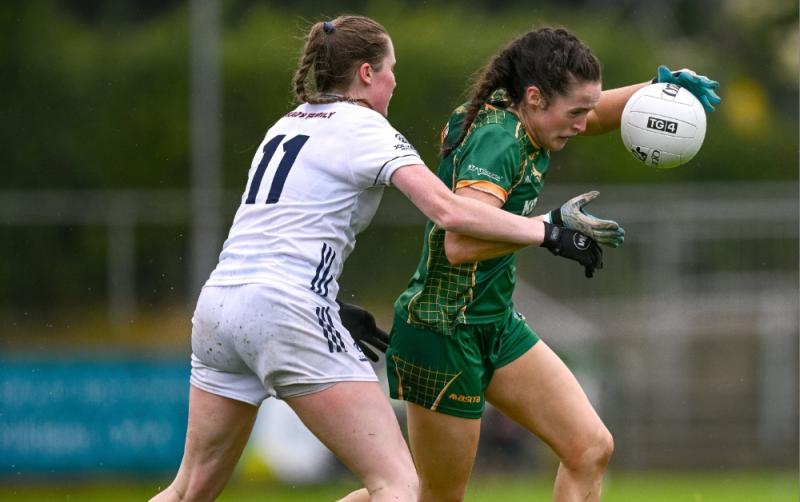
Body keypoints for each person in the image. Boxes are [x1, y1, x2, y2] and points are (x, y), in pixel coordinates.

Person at [150, 17, 607, 502]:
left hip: (221, 305)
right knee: (400, 486)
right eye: (391, 69)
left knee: (188, 490)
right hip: (288, 309)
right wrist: (547, 232)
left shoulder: (286, 124)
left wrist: (328, 301)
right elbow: (451, 212)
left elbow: (283, 229)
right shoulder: (366, 128)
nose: (395, 81)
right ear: (366, 74)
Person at [379, 27, 721, 502]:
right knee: (434, 498)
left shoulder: (522, 109)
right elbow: (458, 244)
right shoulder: (499, 141)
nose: (583, 124)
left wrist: (656, 93)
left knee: (589, 448)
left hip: (493, 322)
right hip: (444, 329)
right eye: (575, 113)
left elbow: (594, 111)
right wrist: (549, 230)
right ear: (536, 98)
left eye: (585, 110)